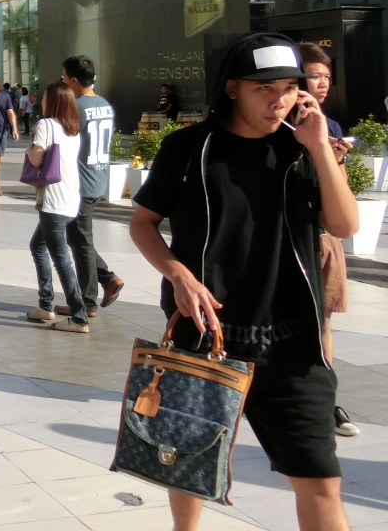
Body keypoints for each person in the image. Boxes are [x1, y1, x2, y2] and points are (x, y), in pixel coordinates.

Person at [130, 33, 358, 531]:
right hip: (205, 334)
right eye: (264, 88)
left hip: (293, 345)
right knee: (188, 464)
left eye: (290, 88)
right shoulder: (189, 148)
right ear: (232, 88)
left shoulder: (304, 148)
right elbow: (143, 222)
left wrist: (321, 147)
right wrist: (178, 274)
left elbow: (344, 226)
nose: (279, 100)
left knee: (320, 481)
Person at [298, 42, 359, 438]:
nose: (322, 84)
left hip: (322, 239)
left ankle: (325, 401)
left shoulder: (331, 127)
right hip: (287, 239)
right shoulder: (276, 124)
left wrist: (334, 156)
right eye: (314, 76)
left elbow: (339, 200)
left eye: (327, 78)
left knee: (322, 322)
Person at [59, 56, 124, 319]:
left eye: (64, 77)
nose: (63, 81)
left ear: (74, 80)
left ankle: (88, 302)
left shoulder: (75, 107)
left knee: (81, 243)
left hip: (80, 183)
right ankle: (107, 280)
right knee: (78, 239)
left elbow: (64, 143)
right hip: (98, 178)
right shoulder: (104, 105)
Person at [25, 81, 87, 333]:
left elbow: (36, 159)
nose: (41, 101)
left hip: (53, 200)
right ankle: (45, 304)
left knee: (61, 260)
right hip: (70, 199)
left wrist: (30, 149)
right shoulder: (73, 129)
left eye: (44, 98)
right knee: (38, 245)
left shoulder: (45, 125)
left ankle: (79, 317)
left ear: (52, 101)